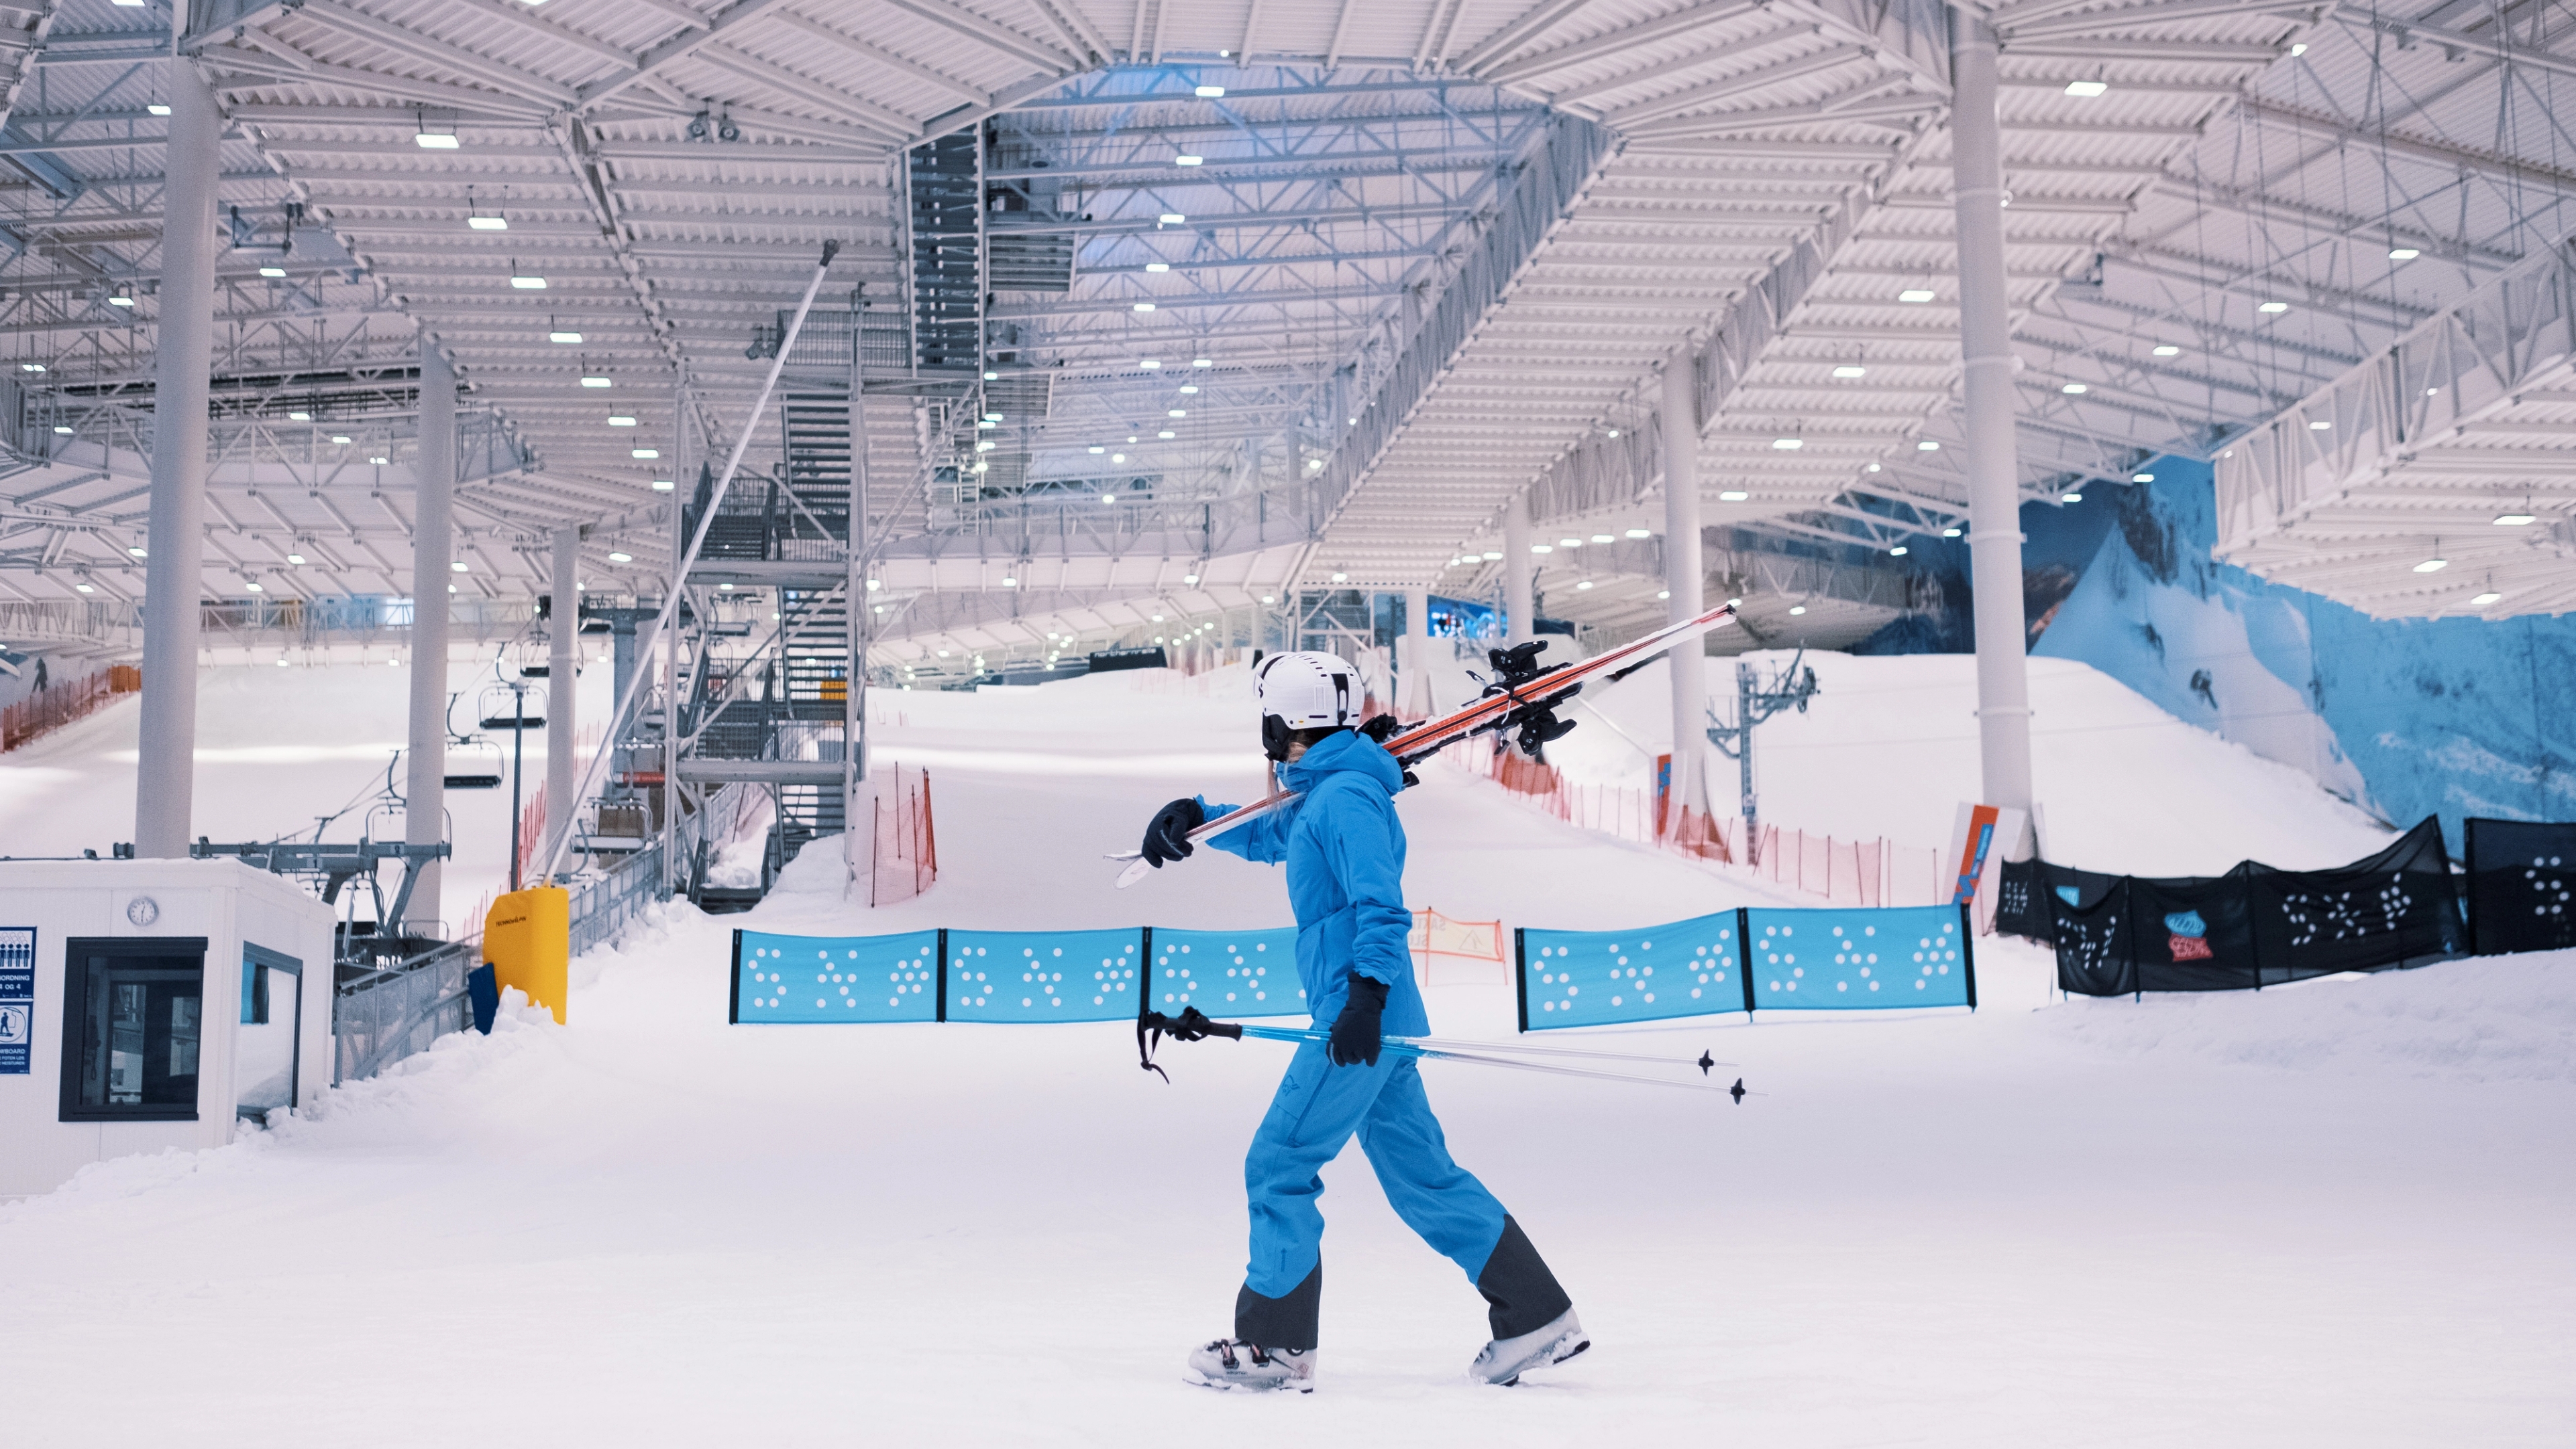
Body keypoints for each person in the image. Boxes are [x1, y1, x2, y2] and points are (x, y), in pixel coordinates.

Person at [1139, 649, 1585, 1393]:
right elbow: (1271, 835)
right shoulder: (1329, 792)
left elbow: (1381, 904)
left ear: (1283, 724)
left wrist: (1365, 998)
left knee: (1279, 1163)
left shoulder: (1344, 797)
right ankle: (1535, 1315)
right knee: (1425, 1180)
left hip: (1357, 1017)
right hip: (1372, 1017)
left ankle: (1276, 1346)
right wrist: (1198, 820)